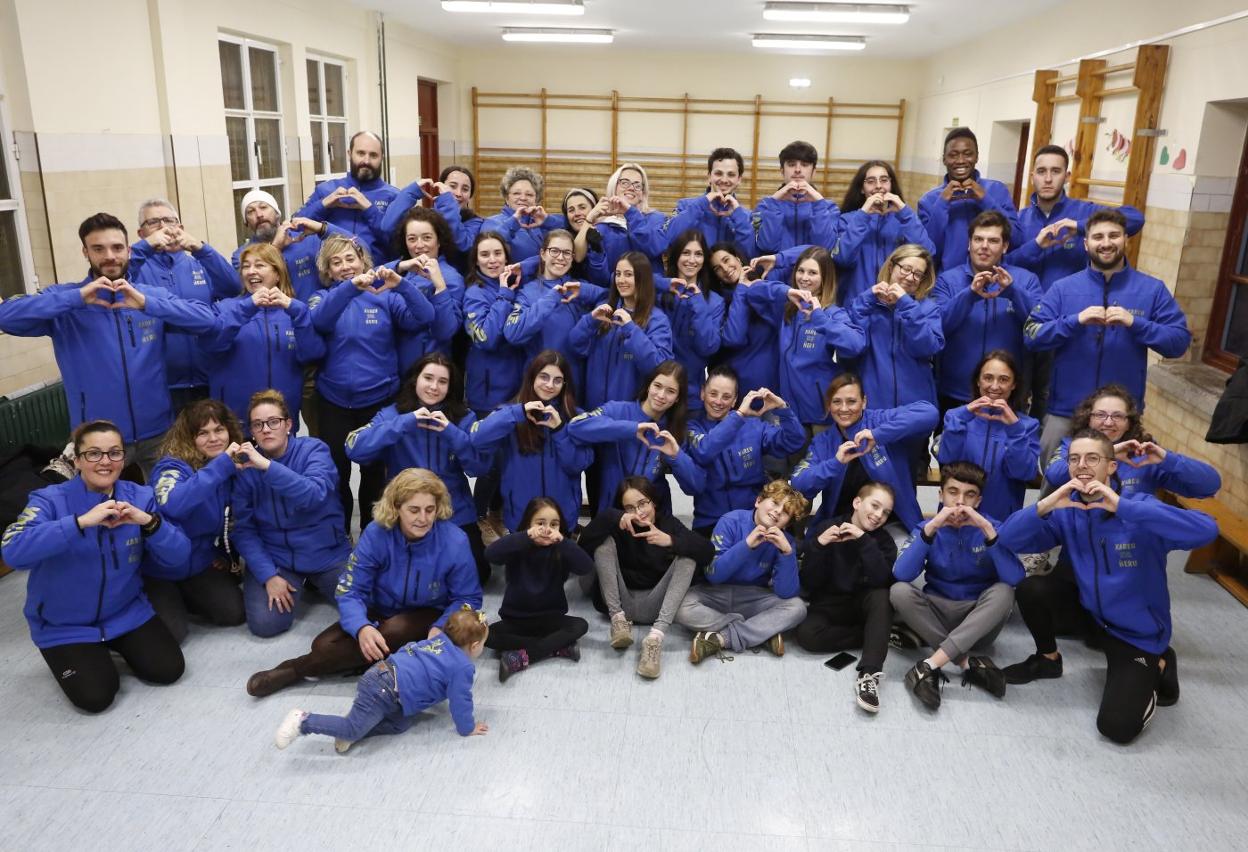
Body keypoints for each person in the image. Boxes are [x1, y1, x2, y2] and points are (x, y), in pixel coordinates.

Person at [997, 430, 1217, 744]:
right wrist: (1044, 505)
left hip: (1135, 634)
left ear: (1112, 467)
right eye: (1074, 459)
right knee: (1032, 589)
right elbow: (1008, 539)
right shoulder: (1068, 511)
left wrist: (1122, 507)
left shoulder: (1139, 509)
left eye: (1092, 458)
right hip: (1092, 616)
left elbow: (1207, 529)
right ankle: (1048, 659)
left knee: (1116, 728)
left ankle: (1159, 663)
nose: (1081, 465)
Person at [1007, 386, 1220, 687]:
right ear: (1088, 418)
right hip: (1078, 559)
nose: (1108, 422)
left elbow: (1210, 486)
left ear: (1130, 421)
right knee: (1035, 592)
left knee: (1118, 629)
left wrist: (1166, 460)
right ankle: (1052, 657)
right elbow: (1054, 475)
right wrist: (1101, 456)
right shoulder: (1075, 448)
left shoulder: (1145, 455)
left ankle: (1153, 653)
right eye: (1100, 415)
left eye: (1117, 416)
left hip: (1129, 556)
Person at [0, 212, 217, 478]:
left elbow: (208, 321)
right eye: (98, 249)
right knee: (104, 515)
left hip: (158, 432)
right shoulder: (66, 302)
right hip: (98, 440)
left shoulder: (148, 297)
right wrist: (77, 298)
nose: (110, 256)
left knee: (168, 507)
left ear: (129, 250)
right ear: (85, 252)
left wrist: (147, 303)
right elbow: (6, 316)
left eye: (116, 248)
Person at [1, 420, 189, 712]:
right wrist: (79, 523)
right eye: (94, 454)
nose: (105, 461)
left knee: (169, 670)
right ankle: (85, 651)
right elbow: (12, 551)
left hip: (126, 612)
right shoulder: (50, 500)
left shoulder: (140, 497)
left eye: (114, 453)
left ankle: (108, 645)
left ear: (123, 459)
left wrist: (149, 523)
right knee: (97, 698)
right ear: (77, 460)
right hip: (64, 625)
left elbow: (180, 556)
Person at [246, 468, 482, 698]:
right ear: (397, 507)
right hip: (380, 608)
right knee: (323, 645)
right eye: (414, 510)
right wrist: (361, 627)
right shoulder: (376, 534)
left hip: (428, 615)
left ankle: (294, 669)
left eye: (430, 510)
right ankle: (377, 659)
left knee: (394, 630)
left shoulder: (455, 540)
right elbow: (350, 589)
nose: (423, 518)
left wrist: (440, 626)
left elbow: (468, 598)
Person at [1024, 209, 1192, 468]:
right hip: (1066, 412)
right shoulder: (1063, 288)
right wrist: (1073, 321)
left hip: (1120, 420)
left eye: (1114, 236)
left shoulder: (1151, 290)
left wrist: (1136, 323)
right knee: (1055, 489)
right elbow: (1031, 335)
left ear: (1126, 239)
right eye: (1098, 236)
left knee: (1117, 494)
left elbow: (1179, 342)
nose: (1105, 243)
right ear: (1085, 243)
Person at [1004, 145, 1146, 419]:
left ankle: (1050, 457)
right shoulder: (1020, 220)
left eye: (1055, 172)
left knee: (1051, 401)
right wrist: (1036, 245)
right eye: (1042, 172)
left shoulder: (1084, 211)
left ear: (1067, 175)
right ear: (1032, 175)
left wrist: (1081, 226)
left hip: (1067, 327)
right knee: (1018, 395)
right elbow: (1007, 264)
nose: (1048, 179)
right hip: (1024, 322)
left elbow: (1136, 218)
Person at [308, 234, 435, 533]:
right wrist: (351, 288)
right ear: (327, 271)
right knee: (335, 475)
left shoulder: (386, 297)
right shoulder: (322, 297)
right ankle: (338, 538)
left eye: (350, 259)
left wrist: (402, 282)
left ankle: (370, 536)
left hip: (378, 401)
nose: (344, 267)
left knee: (375, 475)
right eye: (335, 262)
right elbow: (318, 321)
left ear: (363, 260)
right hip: (333, 402)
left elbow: (425, 316)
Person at [345, 353, 490, 582]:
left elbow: (479, 467)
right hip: (405, 510)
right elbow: (354, 448)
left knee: (479, 574)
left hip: (453, 511)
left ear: (450, 387)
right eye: (428, 378)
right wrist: (405, 422)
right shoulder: (393, 414)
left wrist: (451, 432)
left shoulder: (464, 416)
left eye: (442, 381)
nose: (434, 387)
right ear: (415, 380)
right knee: (387, 576)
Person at [890, 461, 1023, 711]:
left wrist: (986, 529)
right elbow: (902, 573)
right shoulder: (926, 528)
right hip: (935, 615)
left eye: (969, 495)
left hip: (977, 621)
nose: (960, 502)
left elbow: (1015, 578)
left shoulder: (993, 528)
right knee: (898, 592)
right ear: (940, 495)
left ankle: (928, 665)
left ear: (979, 500)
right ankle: (965, 662)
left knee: (1005, 592)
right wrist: (931, 529)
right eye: (953, 492)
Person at [274, 606, 490, 753]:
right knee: (353, 727)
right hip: (384, 689)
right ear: (474, 646)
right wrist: (467, 727)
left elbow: (410, 650)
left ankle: (352, 730)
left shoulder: (439, 639)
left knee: (399, 725)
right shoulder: (463, 668)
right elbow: (461, 701)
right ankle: (304, 721)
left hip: (385, 673)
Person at [231, 389, 351, 639]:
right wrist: (267, 575)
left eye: (273, 422)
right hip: (279, 559)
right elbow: (243, 529)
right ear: (251, 432)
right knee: (266, 625)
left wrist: (266, 466)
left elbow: (314, 494)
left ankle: (313, 583)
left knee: (374, 606)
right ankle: (296, 582)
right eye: (258, 424)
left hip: (327, 555)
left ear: (288, 425)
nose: (266, 429)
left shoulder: (314, 450)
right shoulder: (244, 468)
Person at [580, 477, 714, 678]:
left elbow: (707, 552)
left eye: (643, 503)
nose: (639, 512)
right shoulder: (618, 524)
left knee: (688, 557)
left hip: (657, 606)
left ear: (654, 502)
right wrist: (613, 517)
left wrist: (670, 541)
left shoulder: (668, 523)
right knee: (603, 543)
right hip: (619, 607)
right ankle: (618, 622)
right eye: (630, 507)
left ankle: (655, 639)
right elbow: (582, 550)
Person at [146, 400, 248, 642]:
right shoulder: (171, 467)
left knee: (233, 613)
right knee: (173, 635)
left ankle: (184, 597)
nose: (213, 438)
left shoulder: (229, 468)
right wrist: (222, 466)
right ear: (189, 437)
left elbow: (229, 520)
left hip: (198, 563)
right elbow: (173, 504)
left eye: (219, 430)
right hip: (160, 569)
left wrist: (224, 556)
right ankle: (154, 598)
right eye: (203, 433)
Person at [677, 479, 809, 661]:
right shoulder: (730, 521)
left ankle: (721, 637)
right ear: (758, 501)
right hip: (716, 593)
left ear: (786, 523)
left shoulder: (785, 541)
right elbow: (713, 575)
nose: (778, 511)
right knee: (681, 606)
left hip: (754, 597)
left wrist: (787, 553)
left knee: (798, 608)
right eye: (775, 503)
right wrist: (746, 545)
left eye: (786, 512)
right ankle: (759, 632)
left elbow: (786, 593)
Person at [795, 481, 898, 713]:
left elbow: (882, 580)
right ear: (857, 503)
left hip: (864, 603)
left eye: (886, 512)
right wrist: (819, 547)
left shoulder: (883, 541)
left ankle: (869, 674)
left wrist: (864, 541)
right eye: (875, 506)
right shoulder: (827, 527)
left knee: (881, 596)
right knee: (806, 636)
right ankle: (876, 635)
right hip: (829, 604)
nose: (878, 515)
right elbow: (808, 583)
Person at [790, 372, 938, 533]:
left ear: (864, 402)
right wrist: (835, 463)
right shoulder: (823, 442)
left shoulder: (879, 421)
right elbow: (799, 483)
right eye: (837, 402)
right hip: (840, 524)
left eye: (851, 401)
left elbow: (929, 413)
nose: (844, 408)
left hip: (890, 525)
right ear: (828, 405)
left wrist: (878, 435)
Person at [129, 198, 238, 414]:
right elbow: (117, 277)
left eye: (169, 220)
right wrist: (146, 248)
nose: (163, 227)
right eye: (153, 222)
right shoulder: (135, 270)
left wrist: (200, 248)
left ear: (180, 228)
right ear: (141, 234)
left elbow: (233, 287)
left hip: (208, 380)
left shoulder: (198, 264)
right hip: (161, 386)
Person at [739, 245, 866, 432]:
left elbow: (856, 344)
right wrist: (786, 289)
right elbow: (753, 292)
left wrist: (819, 318)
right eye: (801, 271)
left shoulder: (833, 313)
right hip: (789, 411)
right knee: (793, 461)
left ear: (825, 278)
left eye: (813, 273)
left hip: (821, 415)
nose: (805, 278)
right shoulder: (788, 308)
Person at [469, 350, 593, 537]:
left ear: (565, 384)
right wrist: (517, 412)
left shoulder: (575, 416)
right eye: (544, 377)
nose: (550, 385)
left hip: (561, 519)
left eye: (557, 380)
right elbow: (478, 439)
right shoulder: (509, 413)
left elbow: (577, 464)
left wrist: (559, 430)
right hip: (520, 518)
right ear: (532, 377)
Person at [845, 243, 944, 475]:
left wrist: (906, 305)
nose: (910, 277)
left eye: (917, 274)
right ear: (891, 267)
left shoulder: (927, 309)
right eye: (906, 269)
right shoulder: (866, 305)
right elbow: (851, 346)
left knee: (906, 481)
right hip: (874, 409)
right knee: (869, 482)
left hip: (912, 412)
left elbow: (928, 346)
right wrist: (867, 299)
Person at [205, 242, 325, 429]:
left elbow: (312, 354)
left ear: (277, 274)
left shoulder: (294, 309)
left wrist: (298, 314)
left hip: (281, 421)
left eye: (259, 265)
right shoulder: (224, 308)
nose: (251, 271)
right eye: (246, 266)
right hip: (236, 422)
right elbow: (212, 345)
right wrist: (247, 308)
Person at [930, 211, 1041, 413]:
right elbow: (939, 326)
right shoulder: (947, 280)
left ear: (1005, 246)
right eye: (978, 239)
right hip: (956, 392)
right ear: (969, 244)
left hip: (1008, 394)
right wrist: (970, 294)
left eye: (993, 241)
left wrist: (1013, 292)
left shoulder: (1027, 280)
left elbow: (1039, 327)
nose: (984, 246)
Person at [566, 360, 704, 513]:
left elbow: (695, 487)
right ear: (648, 386)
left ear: (678, 398)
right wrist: (632, 429)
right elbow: (575, 427)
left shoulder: (675, 431)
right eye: (657, 386)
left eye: (670, 391)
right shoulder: (618, 410)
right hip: (613, 514)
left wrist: (676, 456)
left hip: (653, 519)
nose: (661, 395)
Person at [686, 368, 805, 536]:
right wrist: (739, 415)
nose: (718, 401)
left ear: (735, 400)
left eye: (726, 397)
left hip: (753, 519)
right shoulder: (692, 427)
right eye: (713, 394)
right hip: (710, 521)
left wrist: (782, 409)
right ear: (702, 394)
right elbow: (705, 450)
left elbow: (794, 441)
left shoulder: (753, 425)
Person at [486, 497, 594, 681]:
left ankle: (521, 656)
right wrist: (524, 536)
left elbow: (586, 567)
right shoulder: (517, 545)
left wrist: (564, 542)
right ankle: (557, 648)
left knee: (580, 625)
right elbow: (490, 554)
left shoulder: (561, 549)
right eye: (540, 523)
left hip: (551, 619)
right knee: (487, 636)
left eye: (554, 524)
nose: (547, 529)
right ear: (529, 524)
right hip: (517, 618)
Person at [936, 351, 1040, 521]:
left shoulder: (1027, 426)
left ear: (1014, 385)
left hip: (1001, 519)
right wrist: (962, 416)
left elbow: (1024, 473)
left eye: (1004, 379)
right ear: (978, 381)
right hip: (955, 516)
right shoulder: (956, 417)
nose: (994, 386)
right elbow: (947, 459)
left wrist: (1014, 428)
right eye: (988, 378)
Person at [502, 228, 607, 391]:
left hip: (574, 385)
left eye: (567, 253)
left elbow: (609, 299)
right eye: (555, 251)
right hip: (540, 385)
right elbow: (512, 333)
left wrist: (586, 291)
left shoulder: (578, 287)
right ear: (543, 254)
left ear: (573, 258)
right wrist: (551, 298)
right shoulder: (527, 291)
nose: (560, 257)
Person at [568, 251, 673, 410]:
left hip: (630, 414)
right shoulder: (605, 309)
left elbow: (659, 368)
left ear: (642, 278)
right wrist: (590, 320)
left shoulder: (657, 319)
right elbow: (576, 346)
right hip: (595, 410)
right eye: (618, 274)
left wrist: (631, 329)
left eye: (628, 274)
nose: (621, 280)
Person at [917, 128, 1022, 270]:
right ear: (944, 159)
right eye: (953, 155)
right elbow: (925, 253)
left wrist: (985, 199)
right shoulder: (929, 201)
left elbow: (1016, 239)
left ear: (977, 157)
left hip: (994, 281)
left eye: (968, 154)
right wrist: (942, 204)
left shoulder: (997, 190)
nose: (960, 161)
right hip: (947, 285)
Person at [834, 160, 935, 306]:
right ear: (862, 189)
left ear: (891, 185)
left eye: (884, 180)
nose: (878, 186)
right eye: (870, 181)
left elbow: (928, 253)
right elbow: (842, 258)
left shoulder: (904, 220)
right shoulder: (848, 220)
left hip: (894, 303)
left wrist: (905, 213)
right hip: (857, 304)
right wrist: (863, 215)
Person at [293, 130, 397, 261]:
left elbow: (397, 244)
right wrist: (323, 204)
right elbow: (295, 226)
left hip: (377, 276)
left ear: (382, 157)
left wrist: (370, 210)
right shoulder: (326, 190)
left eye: (373, 155)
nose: (366, 160)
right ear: (349, 154)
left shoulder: (393, 196)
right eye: (360, 153)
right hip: (332, 276)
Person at [231, 189, 349, 302]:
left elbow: (354, 244)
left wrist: (321, 228)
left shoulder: (306, 239)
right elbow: (249, 292)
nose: (259, 214)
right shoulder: (241, 256)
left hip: (312, 316)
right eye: (250, 211)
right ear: (246, 222)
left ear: (277, 214)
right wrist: (275, 247)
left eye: (263, 207)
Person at [387, 206, 466, 371]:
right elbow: (368, 281)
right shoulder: (403, 270)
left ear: (439, 240)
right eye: (412, 239)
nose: (419, 245)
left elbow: (446, 331)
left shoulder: (451, 277)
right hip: (396, 367)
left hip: (429, 370)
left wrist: (440, 287)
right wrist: (400, 266)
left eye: (427, 237)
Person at [380, 164, 484, 273]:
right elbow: (387, 227)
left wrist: (447, 201)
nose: (458, 193)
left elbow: (461, 244)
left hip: (451, 282)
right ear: (440, 187)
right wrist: (411, 192)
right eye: (452, 186)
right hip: (417, 278)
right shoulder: (426, 219)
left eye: (465, 189)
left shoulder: (476, 223)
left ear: (470, 196)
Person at [661, 229, 723, 411]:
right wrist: (664, 284)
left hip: (692, 392)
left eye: (698, 254)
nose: (691, 260)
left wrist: (697, 301)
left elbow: (709, 346)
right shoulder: (660, 293)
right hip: (657, 388)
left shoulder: (714, 301)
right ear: (676, 256)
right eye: (686, 253)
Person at [711, 242, 780, 395]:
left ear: (737, 258)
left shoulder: (765, 282)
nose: (724, 269)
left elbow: (814, 252)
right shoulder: (719, 303)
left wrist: (779, 258)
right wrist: (742, 289)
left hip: (774, 384)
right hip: (740, 388)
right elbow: (734, 338)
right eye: (717, 268)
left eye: (726, 260)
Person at [664, 147, 755, 257]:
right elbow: (667, 240)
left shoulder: (747, 216)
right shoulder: (685, 206)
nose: (724, 180)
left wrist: (738, 216)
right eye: (718, 173)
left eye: (731, 175)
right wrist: (702, 204)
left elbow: (750, 256)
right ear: (709, 176)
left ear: (739, 179)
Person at [756, 140, 839, 254]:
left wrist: (819, 206)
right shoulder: (766, 205)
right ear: (782, 171)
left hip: (812, 271)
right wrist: (774, 203)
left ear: (814, 172)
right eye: (791, 164)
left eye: (805, 165)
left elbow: (823, 248)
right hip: (775, 270)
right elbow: (767, 245)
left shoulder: (829, 208)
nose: (798, 170)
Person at [585, 162, 668, 272]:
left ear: (643, 194)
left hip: (652, 288)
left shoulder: (656, 219)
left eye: (637, 185)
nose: (631, 188)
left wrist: (630, 212)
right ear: (614, 187)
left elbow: (651, 248)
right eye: (625, 183)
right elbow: (601, 279)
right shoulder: (601, 228)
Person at [482, 166, 566, 261]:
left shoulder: (540, 222)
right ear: (506, 198)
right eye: (516, 193)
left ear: (536, 199)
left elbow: (572, 225)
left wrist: (547, 220)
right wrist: (513, 222)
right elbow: (489, 243)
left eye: (529, 194)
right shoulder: (492, 222)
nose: (523, 198)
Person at [561, 186, 611, 285]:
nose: (577, 214)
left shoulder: (607, 232)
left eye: (582, 207)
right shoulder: (563, 237)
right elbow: (577, 257)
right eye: (571, 210)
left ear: (595, 209)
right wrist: (588, 220)